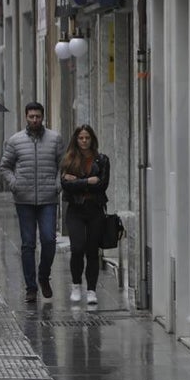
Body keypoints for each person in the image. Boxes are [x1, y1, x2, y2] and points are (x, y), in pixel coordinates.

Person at [0, 101, 63, 303]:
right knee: (27, 244)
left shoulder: (55, 139)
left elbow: (64, 165)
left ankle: (43, 276)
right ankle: (31, 287)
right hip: (24, 199)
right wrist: (14, 184)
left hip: (48, 198)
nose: (34, 120)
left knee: (49, 240)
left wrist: (57, 185)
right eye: (31, 116)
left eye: (37, 116)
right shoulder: (15, 141)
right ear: (25, 117)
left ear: (43, 117)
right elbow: (5, 166)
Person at [60, 124, 110, 305]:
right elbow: (65, 185)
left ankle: (91, 290)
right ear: (76, 139)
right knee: (77, 248)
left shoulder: (102, 160)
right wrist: (88, 181)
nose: (84, 141)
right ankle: (75, 285)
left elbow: (102, 185)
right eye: (81, 138)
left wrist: (77, 182)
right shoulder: (69, 159)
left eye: (87, 138)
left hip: (95, 209)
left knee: (92, 251)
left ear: (92, 139)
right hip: (76, 210)